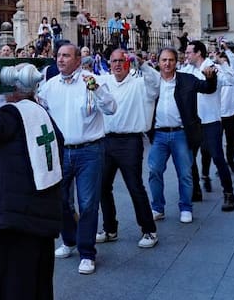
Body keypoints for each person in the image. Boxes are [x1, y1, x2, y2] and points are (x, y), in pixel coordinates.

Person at [0, 61, 64, 300]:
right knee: (39, 284)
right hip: (41, 215)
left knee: (14, 285)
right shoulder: (42, 113)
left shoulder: (13, 115)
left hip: (17, 218)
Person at [37, 43, 117, 275]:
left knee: (88, 203)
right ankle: (69, 240)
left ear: (78, 60)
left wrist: (98, 91)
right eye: (59, 56)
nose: (60, 60)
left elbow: (111, 108)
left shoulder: (92, 80)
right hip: (61, 151)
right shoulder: (49, 86)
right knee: (61, 200)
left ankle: (87, 253)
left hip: (89, 151)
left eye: (66, 56)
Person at [95, 49, 160, 248]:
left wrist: (142, 64)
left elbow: (155, 84)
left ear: (128, 63)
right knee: (102, 186)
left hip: (130, 142)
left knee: (134, 186)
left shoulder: (140, 83)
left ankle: (149, 230)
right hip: (107, 141)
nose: (117, 65)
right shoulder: (104, 81)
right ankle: (110, 228)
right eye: (113, 61)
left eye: (121, 61)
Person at [147, 47, 216, 224]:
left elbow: (207, 88)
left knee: (185, 173)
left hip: (181, 133)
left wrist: (210, 76)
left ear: (176, 62)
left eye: (171, 60)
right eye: (164, 60)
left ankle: (186, 207)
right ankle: (157, 208)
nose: (167, 63)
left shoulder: (187, 79)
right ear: (158, 62)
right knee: (154, 171)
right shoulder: (152, 81)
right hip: (159, 134)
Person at [181, 41, 234, 212]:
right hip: (193, 122)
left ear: (198, 53)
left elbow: (232, 81)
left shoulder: (211, 67)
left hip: (211, 121)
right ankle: (196, 189)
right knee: (189, 158)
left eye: (189, 52)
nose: (186, 55)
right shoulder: (187, 70)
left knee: (218, 158)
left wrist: (222, 65)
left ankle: (229, 194)